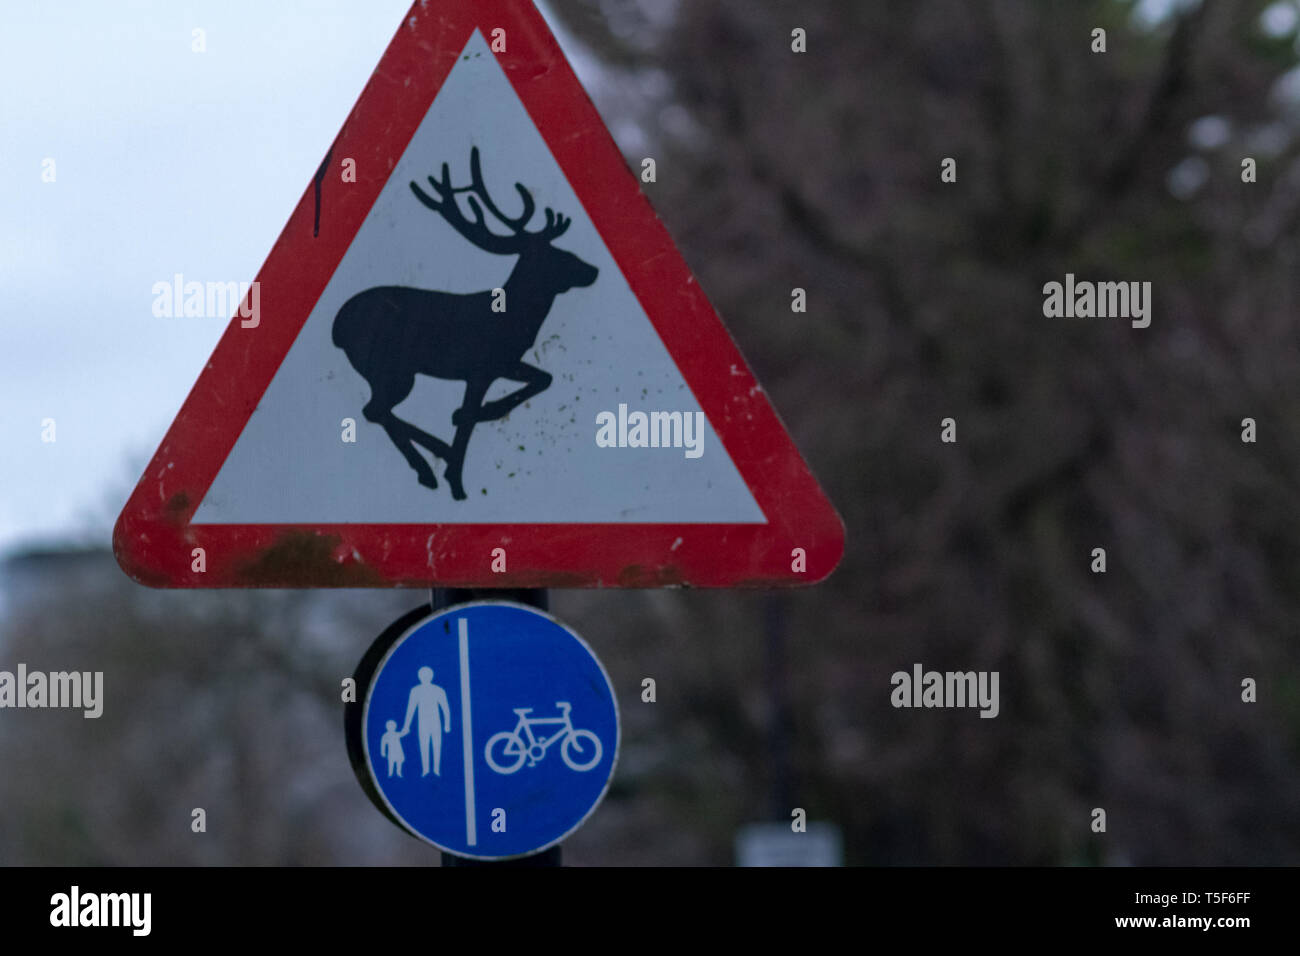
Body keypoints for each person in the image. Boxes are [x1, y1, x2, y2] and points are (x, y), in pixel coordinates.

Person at [401, 666, 451, 776]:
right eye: (423, 676)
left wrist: (447, 724)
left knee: (437, 745)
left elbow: (445, 709)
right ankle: (425, 769)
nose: (425, 677)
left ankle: (437, 769)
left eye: (427, 675)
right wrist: (406, 726)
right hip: (422, 723)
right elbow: (410, 710)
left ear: (431, 676)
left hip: (436, 722)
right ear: (420, 677)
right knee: (423, 745)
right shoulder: (415, 691)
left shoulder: (439, 690)